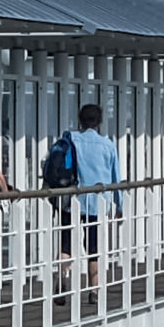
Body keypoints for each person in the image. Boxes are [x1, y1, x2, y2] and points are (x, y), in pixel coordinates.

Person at [54, 102, 123, 267]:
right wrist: (119, 205)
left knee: (66, 245)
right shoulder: (108, 145)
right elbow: (116, 178)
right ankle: (94, 283)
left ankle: (62, 278)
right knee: (94, 251)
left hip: (71, 199)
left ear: (80, 120)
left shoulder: (69, 139)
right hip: (96, 203)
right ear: (99, 122)